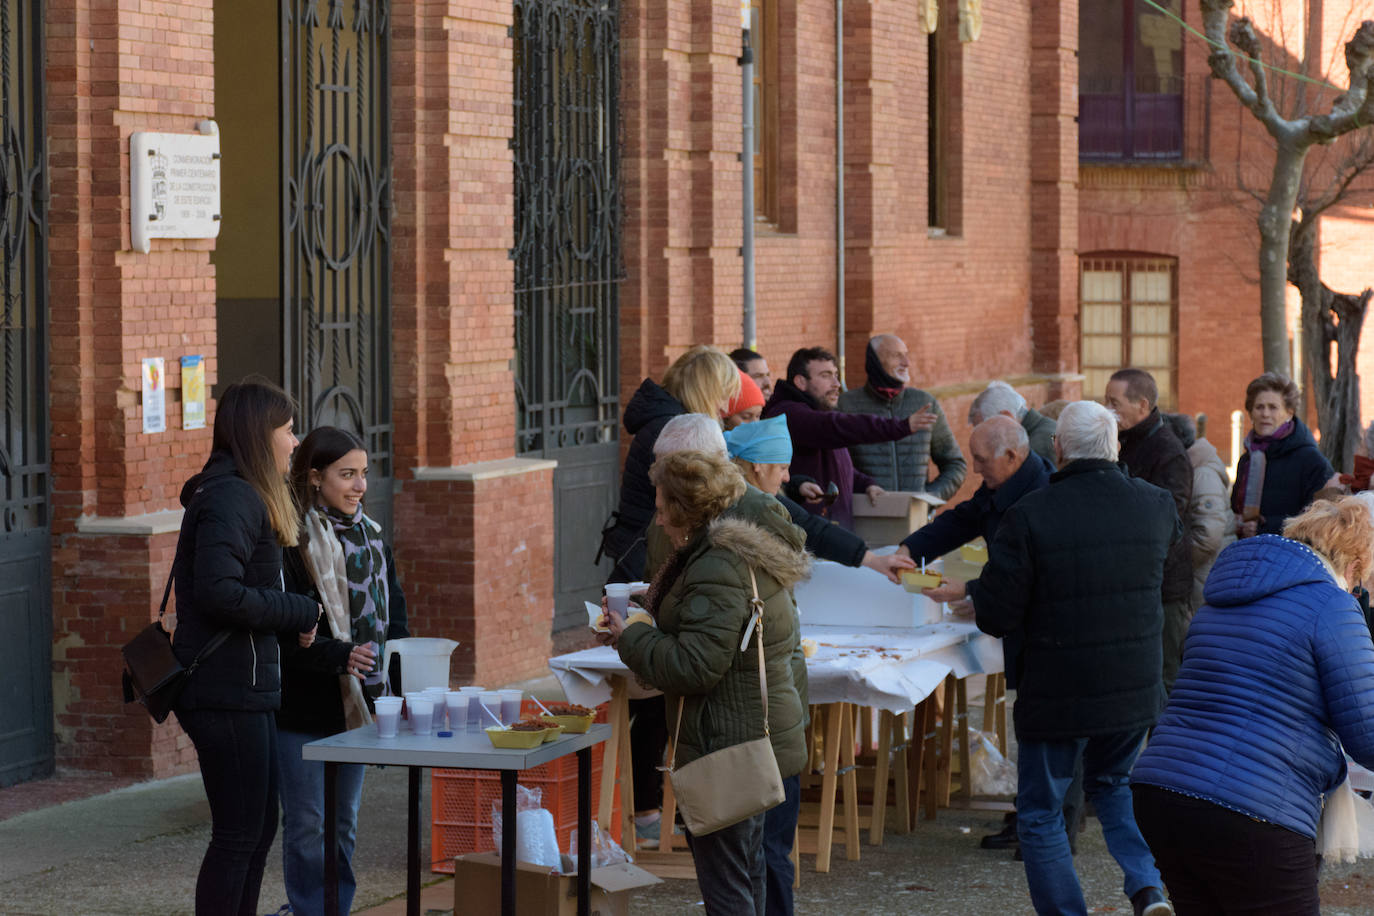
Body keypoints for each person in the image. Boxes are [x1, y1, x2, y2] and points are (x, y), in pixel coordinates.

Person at [966, 400, 1179, 916]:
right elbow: (1171, 585)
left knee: (1040, 812)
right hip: (1132, 682)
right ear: (1115, 446)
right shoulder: (1156, 504)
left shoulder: (1031, 514)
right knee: (1115, 784)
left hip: (1055, 687)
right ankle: (1148, 889)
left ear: (1057, 449)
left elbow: (995, 612)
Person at [1132, 496, 1374, 914]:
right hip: (1252, 810)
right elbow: (1368, 733)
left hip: (1164, 791)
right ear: (1353, 565)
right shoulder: (1332, 605)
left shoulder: (1223, 598)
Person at [605, 449, 809, 916]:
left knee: (728, 887)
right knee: (748, 871)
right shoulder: (727, 551)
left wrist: (632, 635)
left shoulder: (718, 563)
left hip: (729, 745)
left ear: (684, 510)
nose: (656, 521)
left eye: (661, 509)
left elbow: (695, 665)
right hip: (753, 738)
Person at [171, 377, 321, 916]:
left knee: (258, 830)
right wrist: (299, 613)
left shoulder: (243, 492)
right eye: (286, 429)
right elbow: (218, 591)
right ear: (260, 435)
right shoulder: (232, 495)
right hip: (223, 689)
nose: (294, 441)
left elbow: (243, 590)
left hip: (245, 686)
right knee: (239, 835)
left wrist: (286, 621)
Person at [897, 416, 1055, 855]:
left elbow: (1027, 575)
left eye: (982, 460)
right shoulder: (1000, 487)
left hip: (1045, 634)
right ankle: (1029, 817)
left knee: (1047, 734)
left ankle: (1041, 826)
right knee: (1032, 727)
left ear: (1012, 455)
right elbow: (961, 520)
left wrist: (973, 591)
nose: (975, 469)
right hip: (1021, 628)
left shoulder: (1042, 493)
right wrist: (911, 549)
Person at [275, 427, 411, 916]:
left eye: (364, 474)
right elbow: (283, 634)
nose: (359, 487)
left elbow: (395, 620)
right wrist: (340, 655)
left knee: (344, 821)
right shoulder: (290, 543)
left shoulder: (373, 539)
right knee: (308, 822)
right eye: (346, 474)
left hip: (359, 707)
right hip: (302, 706)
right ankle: (310, 908)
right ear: (315, 478)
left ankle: (335, 907)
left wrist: (399, 682)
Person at [598, 345, 741, 582]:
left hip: (642, 546)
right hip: (649, 550)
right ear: (705, 391)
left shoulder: (665, 422)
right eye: (723, 395)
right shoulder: (678, 432)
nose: (725, 408)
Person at [763, 346, 932, 530]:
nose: (836, 384)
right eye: (826, 375)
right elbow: (839, 426)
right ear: (801, 382)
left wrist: (866, 484)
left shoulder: (818, 413)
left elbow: (838, 466)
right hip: (808, 538)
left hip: (832, 534)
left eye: (836, 375)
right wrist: (901, 426)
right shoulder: (789, 414)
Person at [1105, 368, 1193, 695]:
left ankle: (1166, 746)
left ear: (1142, 405)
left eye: (1114, 402)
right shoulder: (1121, 441)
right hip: (1133, 579)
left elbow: (1170, 517)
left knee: (1165, 678)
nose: (1107, 409)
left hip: (1164, 583)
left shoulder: (1168, 451)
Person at [838, 334, 967, 498]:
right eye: (897, 356)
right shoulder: (845, 405)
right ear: (875, 361)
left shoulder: (925, 403)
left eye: (906, 355)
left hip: (916, 519)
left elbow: (955, 464)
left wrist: (930, 498)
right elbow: (836, 466)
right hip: (864, 516)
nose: (907, 363)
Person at [1231, 371, 1336, 538]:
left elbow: (1323, 518)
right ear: (1251, 413)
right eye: (1259, 407)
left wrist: (1266, 527)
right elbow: (1236, 507)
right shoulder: (1248, 459)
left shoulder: (1310, 460)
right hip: (1249, 551)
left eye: (1273, 407)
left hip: (1291, 555)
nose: (1265, 414)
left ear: (1289, 412)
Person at [1163, 413, 1234, 613]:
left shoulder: (1202, 474)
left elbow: (1207, 537)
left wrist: (1175, 564)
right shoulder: (1191, 468)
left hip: (1202, 577)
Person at [967, 380, 1057, 463]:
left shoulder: (1034, 448)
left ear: (1006, 416)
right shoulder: (1046, 429)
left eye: (985, 431)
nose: (985, 439)